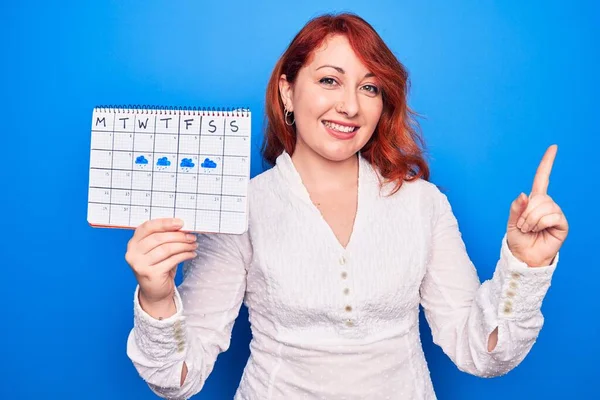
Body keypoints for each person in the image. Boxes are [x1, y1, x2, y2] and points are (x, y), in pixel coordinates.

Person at [124, 12, 568, 400]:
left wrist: (524, 270)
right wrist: (157, 296)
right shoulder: (242, 208)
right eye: (329, 80)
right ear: (287, 92)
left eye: (369, 87)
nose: (350, 105)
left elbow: (481, 355)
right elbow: (177, 381)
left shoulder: (422, 204)